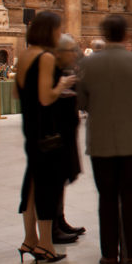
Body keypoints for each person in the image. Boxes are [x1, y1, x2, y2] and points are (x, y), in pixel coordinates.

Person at [77, 15, 132, 264]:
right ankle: (131, 251)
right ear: (125, 35)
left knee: (107, 197)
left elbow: (81, 102)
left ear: (105, 34)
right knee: (130, 197)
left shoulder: (88, 63)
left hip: (100, 141)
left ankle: (109, 254)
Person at [15, 11, 77, 264]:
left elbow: (21, 95)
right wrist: (62, 85)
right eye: (58, 28)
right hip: (46, 131)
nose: (60, 33)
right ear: (49, 30)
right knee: (47, 186)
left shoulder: (24, 55)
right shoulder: (46, 57)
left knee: (31, 185)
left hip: (30, 126)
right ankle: (46, 245)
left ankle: (29, 239)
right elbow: (45, 97)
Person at [51, 34, 85, 243]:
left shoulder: (64, 71)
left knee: (61, 178)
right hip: (56, 133)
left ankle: (60, 219)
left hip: (66, 132)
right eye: (71, 51)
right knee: (55, 179)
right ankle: (53, 227)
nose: (74, 54)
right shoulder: (52, 72)